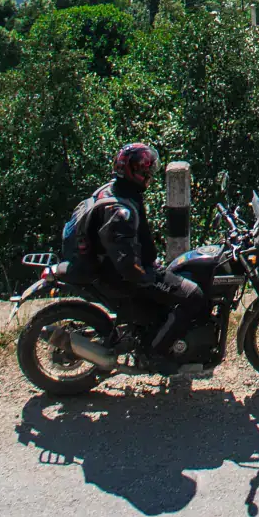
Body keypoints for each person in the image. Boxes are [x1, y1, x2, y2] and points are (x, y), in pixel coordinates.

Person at [70, 142, 208, 364]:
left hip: (111, 268)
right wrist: (148, 277)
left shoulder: (116, 189)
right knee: (193, 296)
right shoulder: (120, 212)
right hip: (122, 275)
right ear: (133, 171)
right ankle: (157, 353)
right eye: (145, 170)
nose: (149, 174)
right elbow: (125, 262)